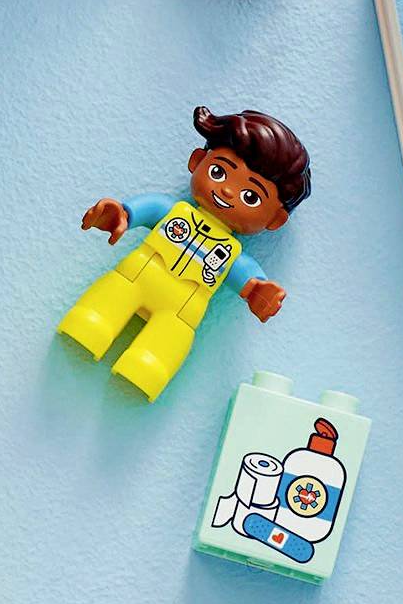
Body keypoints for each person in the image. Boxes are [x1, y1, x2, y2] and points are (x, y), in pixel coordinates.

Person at [57, 104, 313, 400]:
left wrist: (257, 290)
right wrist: (122, 214)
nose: (228, 191)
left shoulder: (233, 253)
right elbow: (145, 208)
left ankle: (148, 368)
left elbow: (246, 276)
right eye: (219, 171)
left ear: (275, 220)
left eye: (251, 196)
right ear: (198, 160)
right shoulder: (171, 211)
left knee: (164, 345)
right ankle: (90, 323)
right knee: (103, 307)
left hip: (179, 313)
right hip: (132, 279)